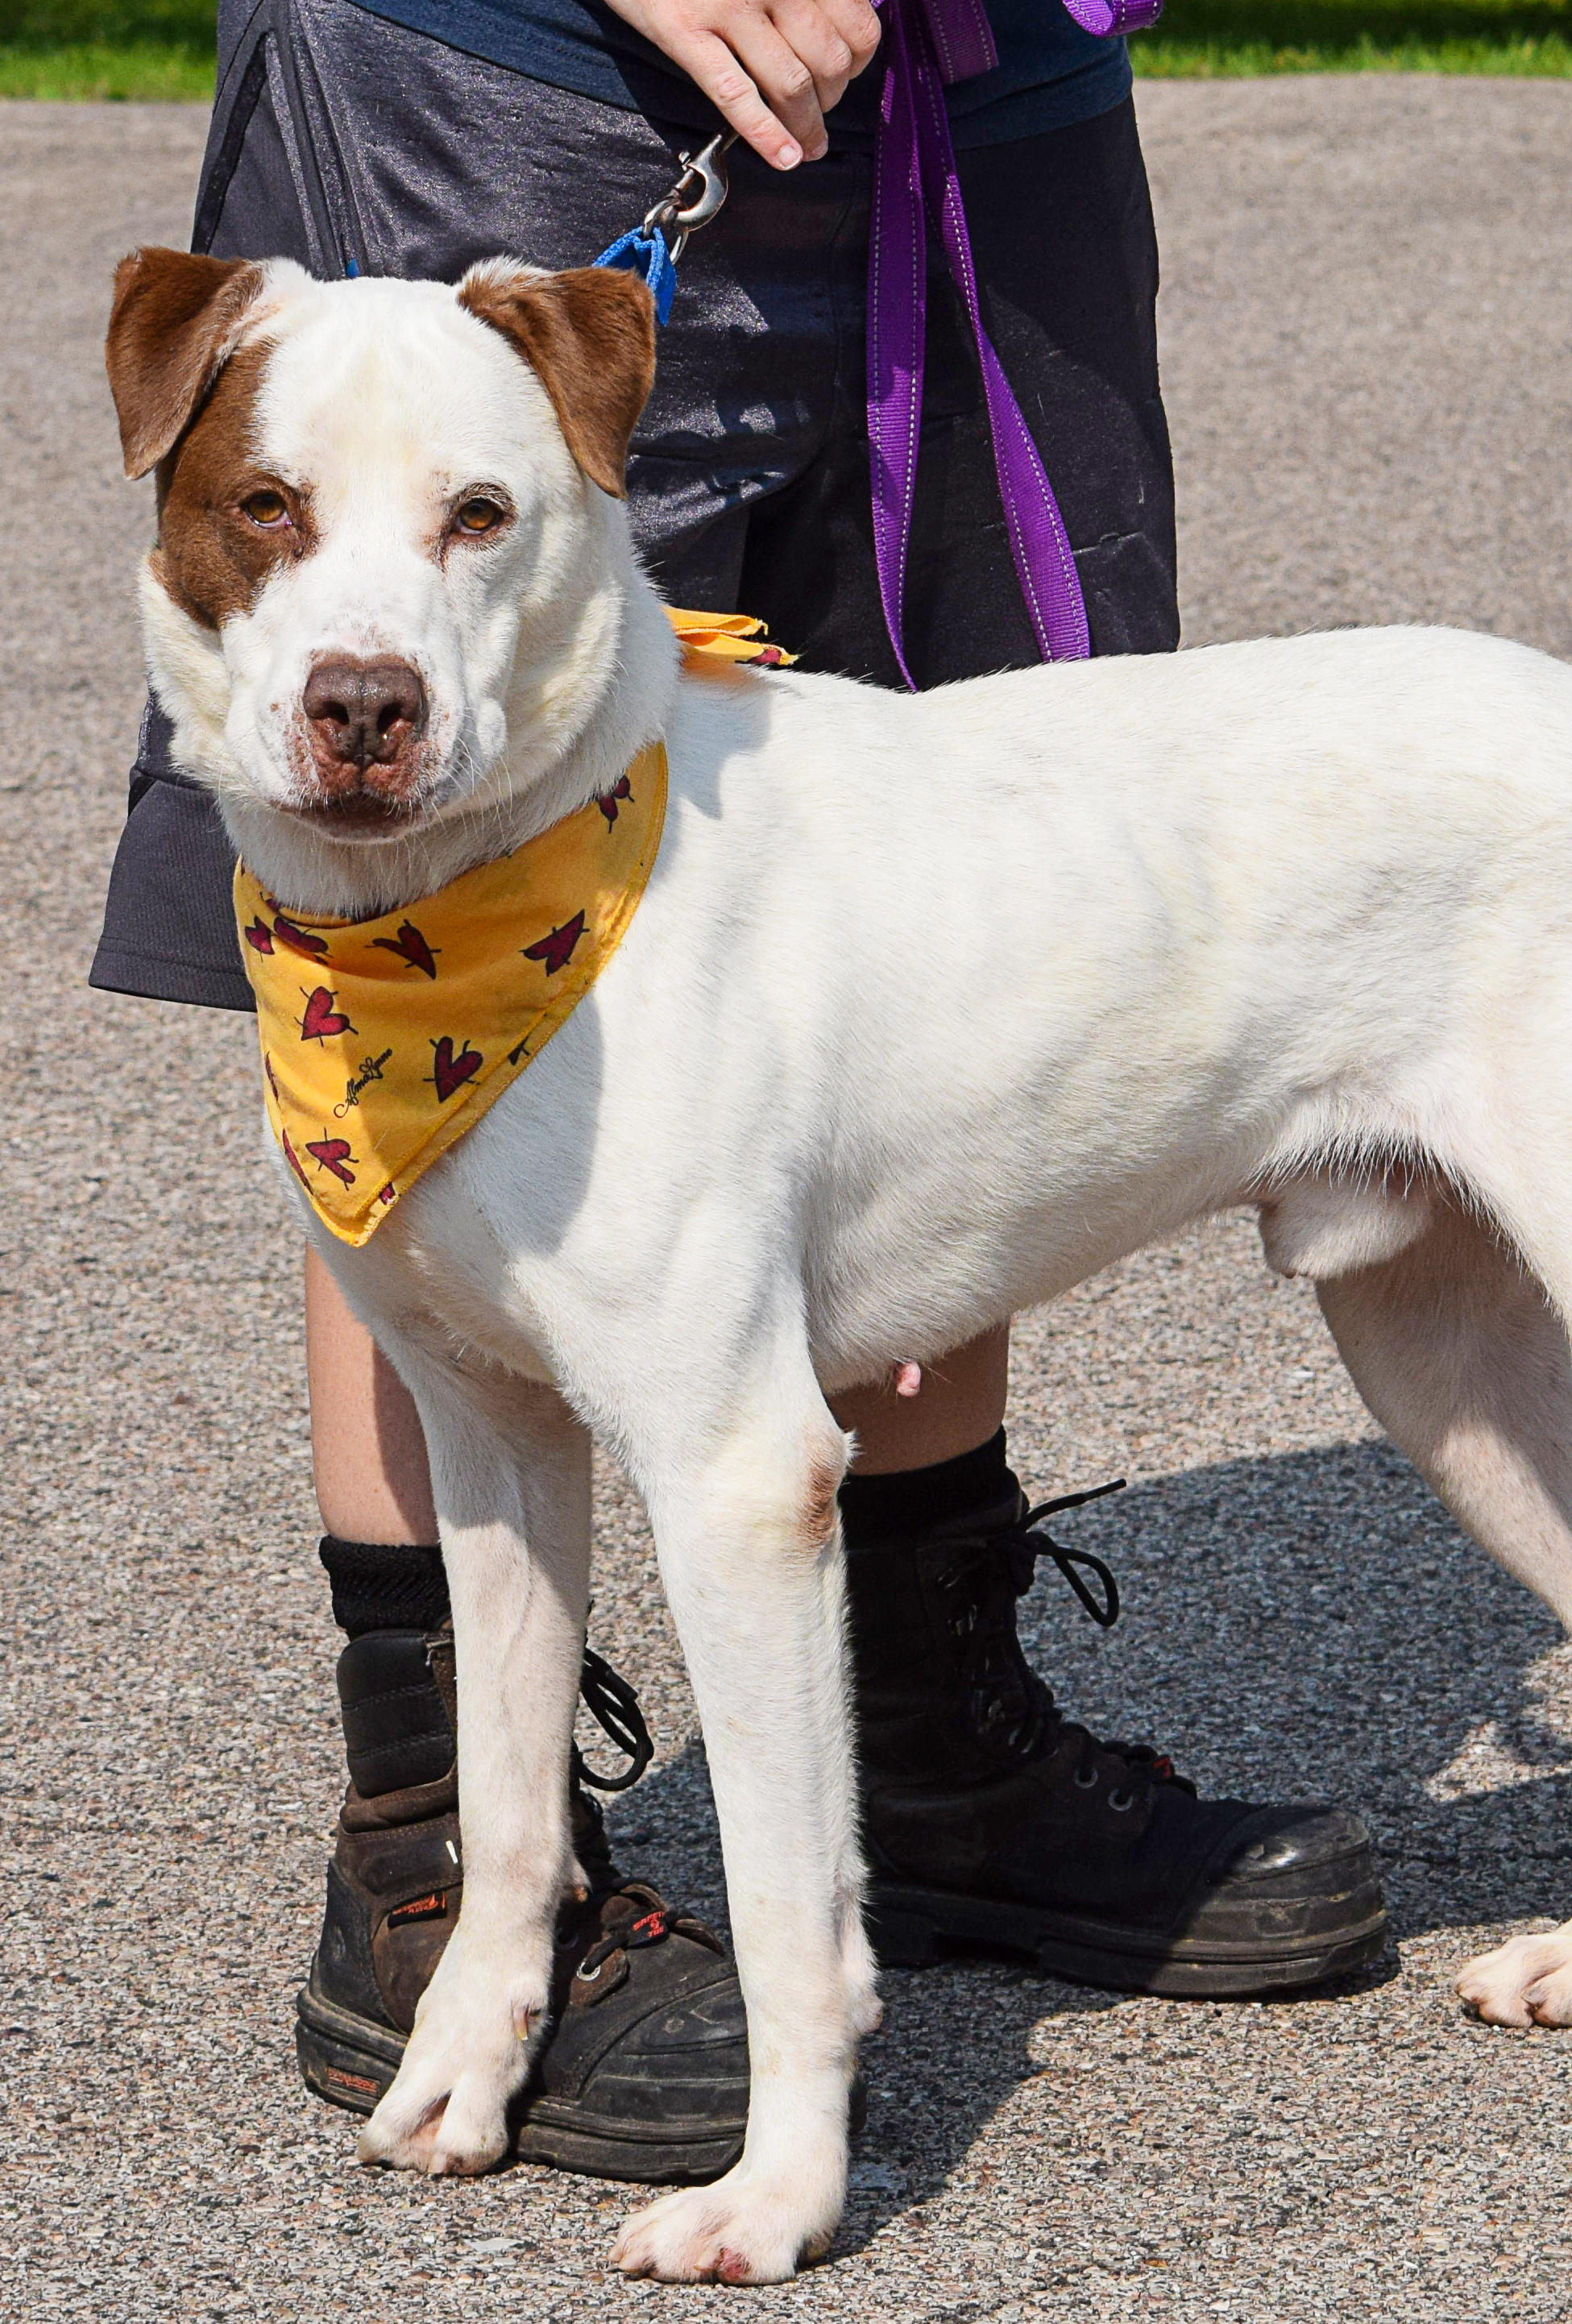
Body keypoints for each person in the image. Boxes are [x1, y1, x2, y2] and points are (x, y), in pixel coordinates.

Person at [90, 0, 1387, 2181]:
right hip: (499, 61)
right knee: (416, 845)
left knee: (957, 857)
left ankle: (920, 1712)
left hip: (983, 79)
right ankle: (438, 1844)